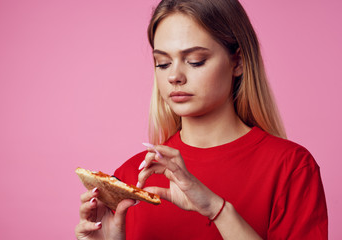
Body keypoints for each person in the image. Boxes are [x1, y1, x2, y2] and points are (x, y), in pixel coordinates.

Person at [75, 0, 328, 239]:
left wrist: (217, 209)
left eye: (196, 61)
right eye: (162, 63)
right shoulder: (131, 176)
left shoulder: (291, 168)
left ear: (237, 61)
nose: (174, 76)